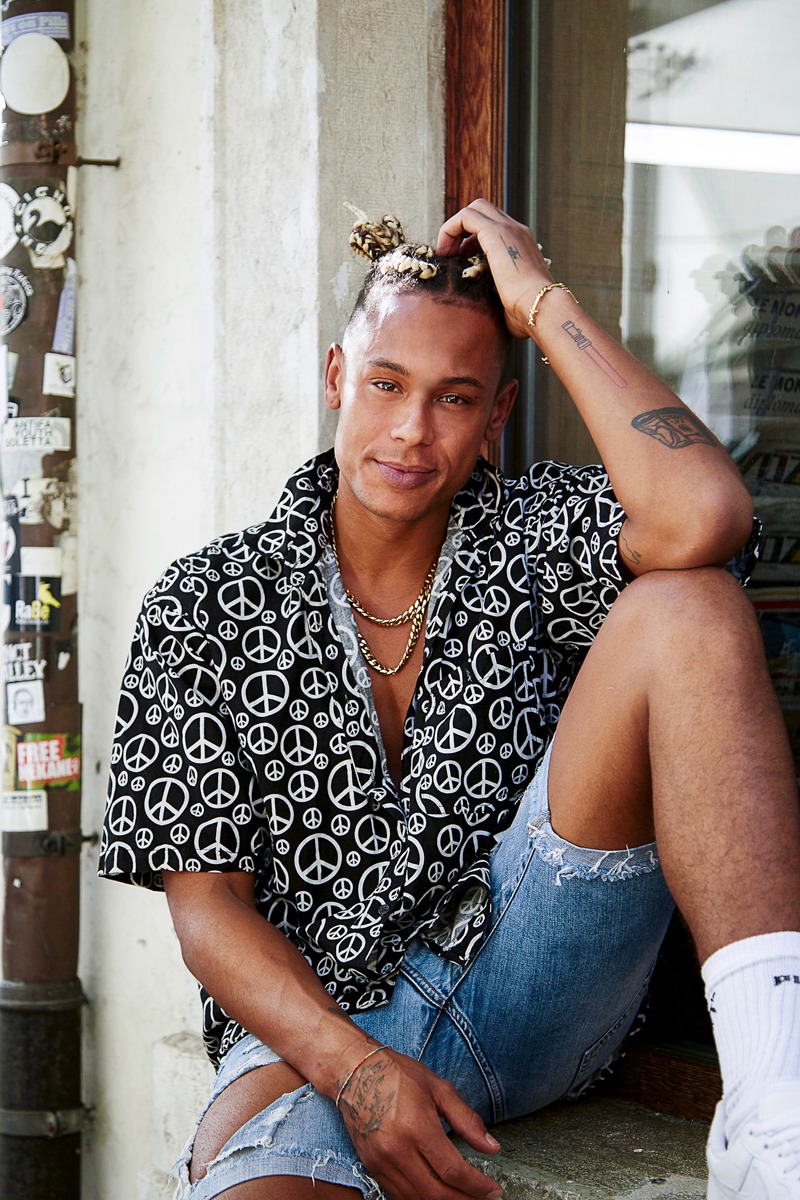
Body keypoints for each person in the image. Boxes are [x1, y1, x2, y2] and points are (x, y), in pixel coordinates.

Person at [99, 199, 800, 1200]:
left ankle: (773, 1112)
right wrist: (357, 1070)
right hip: (315, 1029)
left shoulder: (531, 534)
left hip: (535, 973)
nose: (410, 431)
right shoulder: (207, 599)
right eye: (386, 383)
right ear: (338, 378)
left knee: (686, 604)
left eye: (454, 398)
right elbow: (206, 910)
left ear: (494, 418)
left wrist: (542, 299)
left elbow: (703, 514)